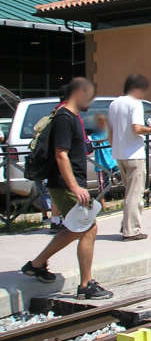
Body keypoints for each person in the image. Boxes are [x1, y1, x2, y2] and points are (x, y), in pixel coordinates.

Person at [21, 78, 113, 299]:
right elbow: (61, 154)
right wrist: (75, 187)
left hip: (67, 183)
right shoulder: (65, 118)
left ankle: (36, 264)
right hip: (65, 185)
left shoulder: (67, 116)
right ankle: (86, 285)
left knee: (75, 228)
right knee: (88, 228)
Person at [108, 74, 151, 241]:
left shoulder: (114, 104)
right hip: (134, 154)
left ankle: (126, 224)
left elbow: (110, 131)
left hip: (119, 153)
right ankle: (131, 231)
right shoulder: (136, 103)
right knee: (135, 194)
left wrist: (114, 148)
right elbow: (136, 128)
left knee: (129, 192)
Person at [89, 114, 119, 192]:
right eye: (99, 123)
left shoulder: (109, 133)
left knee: (120, 176)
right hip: (101, 163)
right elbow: (96, 142)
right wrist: (107, 138)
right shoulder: (94, 135)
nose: (101, 125)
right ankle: (102, 198)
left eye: (103, 123)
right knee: (102, 185)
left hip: (112, 161)